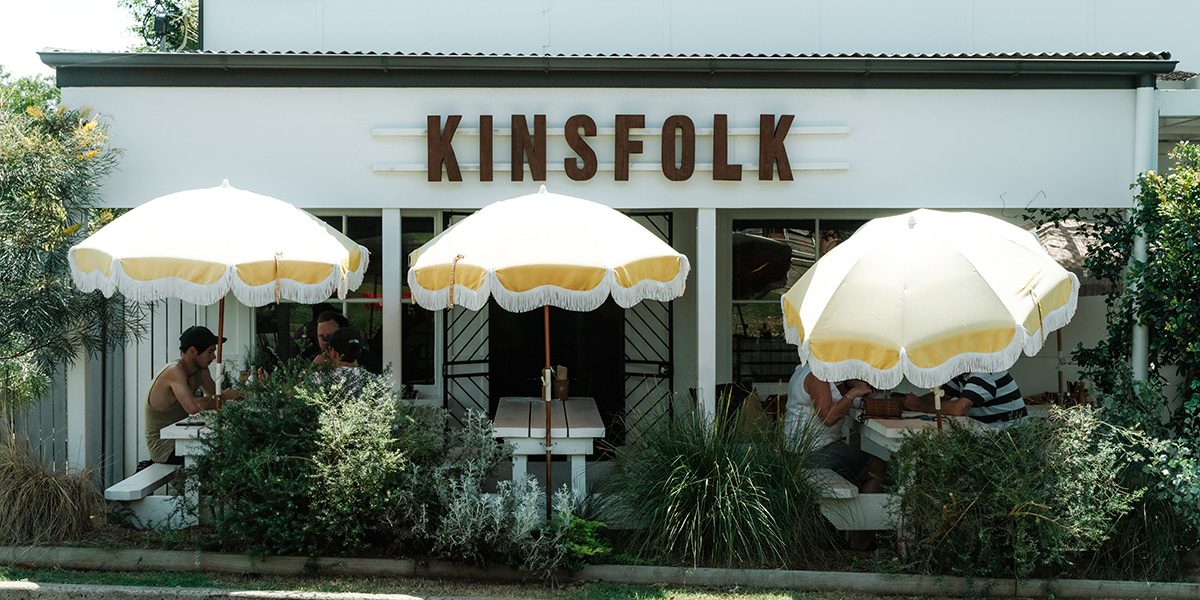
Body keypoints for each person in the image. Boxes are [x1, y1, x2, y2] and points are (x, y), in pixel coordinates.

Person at [784, 364, 888, 495]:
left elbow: (826, 395)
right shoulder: (817, 375)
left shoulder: (804, 369)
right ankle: (866, 515)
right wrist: (853, 393)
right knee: (879, 468)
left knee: (858, 465)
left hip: (797, 450)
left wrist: (848, 385)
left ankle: (855, 507)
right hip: (815, 451)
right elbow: (828, 418)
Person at [144, 326, 241, 465]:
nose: (214, 357)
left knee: (230, 449)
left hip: (184, 439)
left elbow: (216, 394)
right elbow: (192, 407)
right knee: (221, 458)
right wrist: (223, 397)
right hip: (165, 448)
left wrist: (238, 394)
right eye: (210, 352)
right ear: (193, 350)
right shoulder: (174, 371)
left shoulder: (200, 370)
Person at [903, 370, 1028, 427]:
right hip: (989, 436)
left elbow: (959, 409)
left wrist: (918, 405)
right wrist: (908, 403)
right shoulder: (964, 373)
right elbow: (940, 396)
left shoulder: (984, 371)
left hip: (1008, 443)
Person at [313, 309, 383, 374]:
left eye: (330, 336)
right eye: (321, 336)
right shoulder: (315, 358)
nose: (325, 342)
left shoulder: (367, 359)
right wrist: (312, 368)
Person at [312, 326, 376, 395]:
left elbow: (299, 388)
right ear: (360, 351)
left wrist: (312, 367)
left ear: (334, 352)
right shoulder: (373, 381)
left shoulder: (319, 379)